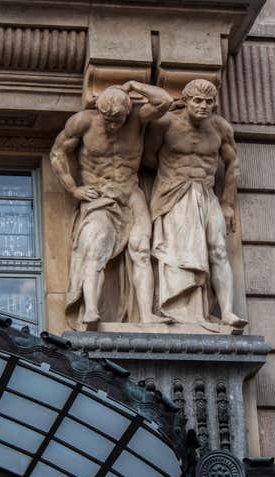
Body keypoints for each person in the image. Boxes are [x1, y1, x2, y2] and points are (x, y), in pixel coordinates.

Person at [50, 81, 173, 327]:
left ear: (127, 113)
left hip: (130, 192)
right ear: (99, 111)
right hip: (99, 194)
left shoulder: (138, 119)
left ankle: (147, 314)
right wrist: (74, 189)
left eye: (118, 120)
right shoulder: (83, 122)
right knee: (96, 247)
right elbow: (57, 153)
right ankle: (92, 311)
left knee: (141, 250)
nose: (113, 125)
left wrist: (133, 85)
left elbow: (165, 102)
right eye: (108, 120)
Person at [143, 79, 247, 328]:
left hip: (207, 193)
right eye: (198, 101)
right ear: (186, 101)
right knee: (178, 252)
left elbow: (233, 164)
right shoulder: (166, 123)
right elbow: (147, 157)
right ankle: (179, 307)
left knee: (219, 249)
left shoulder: (220, 128)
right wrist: (173, 177)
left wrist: (228, 203)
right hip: (174, 193)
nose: (203, 106)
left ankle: (227, 312)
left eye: (209, 102)